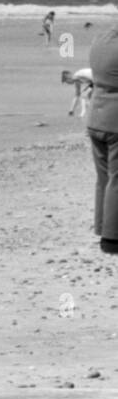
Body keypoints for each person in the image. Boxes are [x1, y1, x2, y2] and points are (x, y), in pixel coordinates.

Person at [86, 25, 118, 253]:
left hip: (96, 114)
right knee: (116, 180)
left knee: (103, 178)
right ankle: (112, 238)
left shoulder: (100, 40)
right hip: (115, 118)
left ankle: (101, 228)